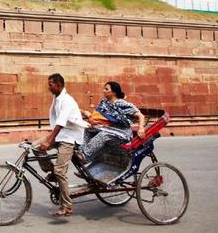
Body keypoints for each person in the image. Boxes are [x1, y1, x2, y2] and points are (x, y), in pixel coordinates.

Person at [33, 73, 87, 217]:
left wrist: (49, 141)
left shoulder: (66, 100)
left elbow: (61, 122)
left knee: (60, 171)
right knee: (35, 147)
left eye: (50, 84)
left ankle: (67, 206)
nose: (48, 87)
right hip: (62, 134)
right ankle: (52, 172)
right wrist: (47, 141)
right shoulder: (57, 98)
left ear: (58, 84)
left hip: (70, 137)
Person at [79, 81, 145, 163]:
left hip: (122, 133)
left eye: (106, 89)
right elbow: (99, 115)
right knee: (88, 129)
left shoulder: (123, 104)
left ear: (114, 92)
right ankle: (82, 153)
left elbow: (141, 116)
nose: (103, 91)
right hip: (108, 129)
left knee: (104, 135)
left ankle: (85, 154)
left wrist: (141, 128)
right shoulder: (104, 103)